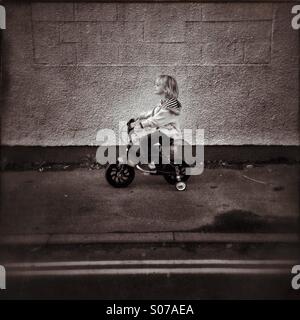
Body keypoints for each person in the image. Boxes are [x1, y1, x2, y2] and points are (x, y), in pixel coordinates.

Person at [131, 75, 182, 171]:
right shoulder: (164, 102)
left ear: (166, 89)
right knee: (147, 139)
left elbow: (156, 120)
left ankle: (150, 163)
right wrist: (142, 115)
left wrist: (142, 124)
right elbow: (154, 112)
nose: (155, 86)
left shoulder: (169, 107)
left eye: (158, 85)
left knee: (145, 140)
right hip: (164, 131)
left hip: (170, 134)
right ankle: (154, 160)